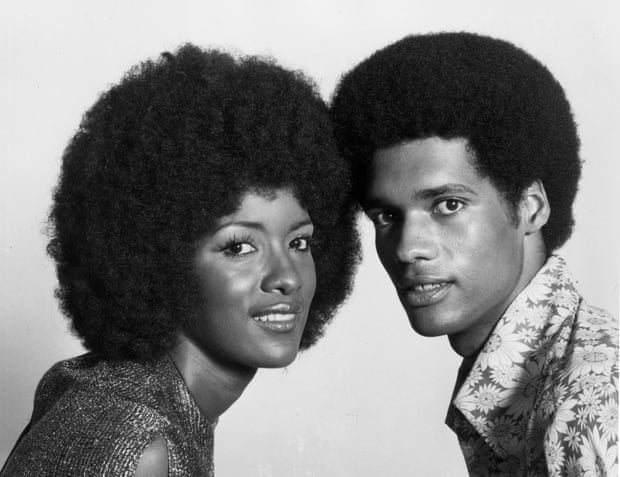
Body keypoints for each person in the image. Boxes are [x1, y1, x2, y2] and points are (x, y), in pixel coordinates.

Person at [1, 44, 359, 476]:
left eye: (299, 243)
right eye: (240, 247)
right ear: (158, 261)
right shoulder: (138, 444)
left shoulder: (144, 403)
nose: (287, 278)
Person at [331, 32, 618, 476]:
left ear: (531, 207)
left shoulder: (587, 402)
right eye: (386, 216)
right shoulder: (542, 375)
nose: (408, 248)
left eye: (448, 205)